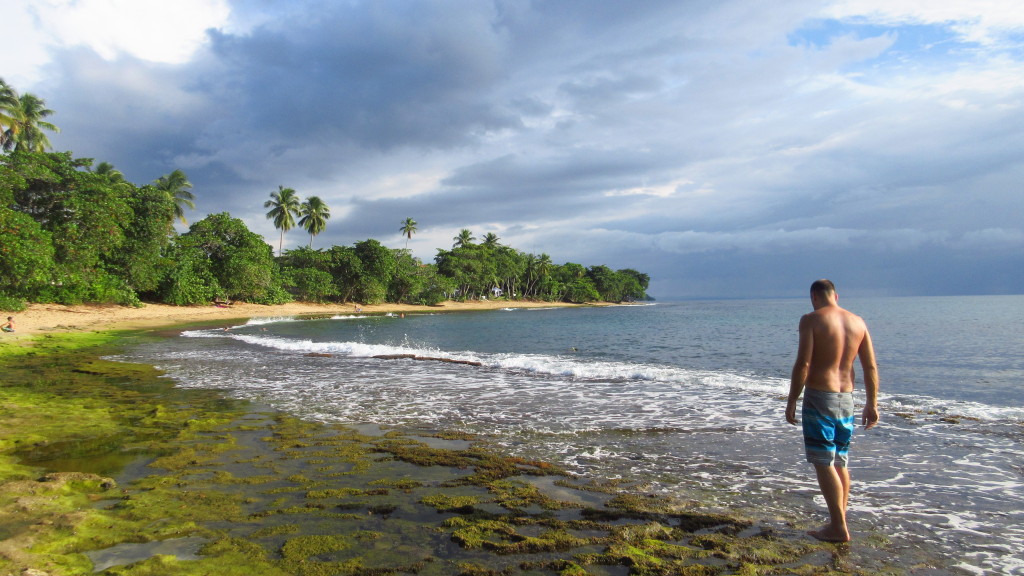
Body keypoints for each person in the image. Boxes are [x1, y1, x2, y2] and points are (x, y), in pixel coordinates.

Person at [786, 279, 879, 542]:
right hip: (847, 397)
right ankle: (838, 520)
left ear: (814, 297)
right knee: (840, 460)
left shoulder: (811, 320)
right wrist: (872, 403)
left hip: (819, 397)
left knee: (823, 461)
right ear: (836, 296)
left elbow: (803, 363)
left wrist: (792, 398)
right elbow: (870, 367)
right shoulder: (858, 322)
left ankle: (838, 526)